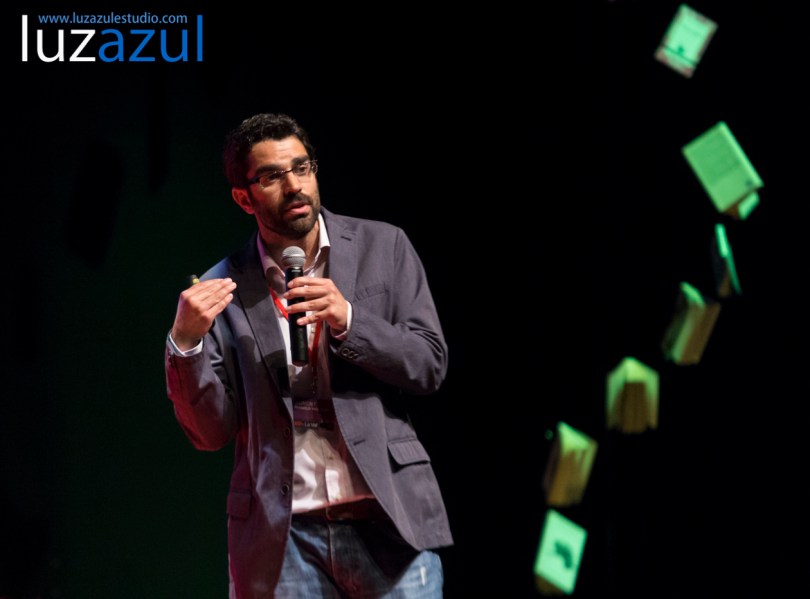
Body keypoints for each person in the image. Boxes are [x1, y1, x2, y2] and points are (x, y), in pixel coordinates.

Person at [164, 112, 453, 598]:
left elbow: (428, 364)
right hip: (283, 539)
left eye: (302, 168)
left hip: (387, 523)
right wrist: (186, 344)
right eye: (272, 176)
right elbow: (210, 432)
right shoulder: (223, 289)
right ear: (243, 197)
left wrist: (350, 321)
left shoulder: (384, 247)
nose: (294, 185)